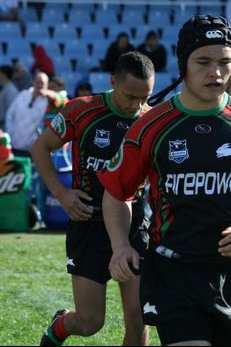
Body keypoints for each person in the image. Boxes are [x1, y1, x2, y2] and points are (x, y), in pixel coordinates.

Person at [98, 14, 231, 346]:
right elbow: (116, 192)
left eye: (225, 62)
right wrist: (120, 246)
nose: (215, 73)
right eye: (203, 61)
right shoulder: (149, 126)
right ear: (183, 63)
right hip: (174, 273)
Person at [31, 51, 155, 346]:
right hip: (87, 222)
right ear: (112, 81)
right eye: (130, 96)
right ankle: (60, 325)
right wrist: (61, 194)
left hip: (134, 222)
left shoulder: (150, 120)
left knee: (137, 318)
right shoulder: (81, 110)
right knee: (89, 322)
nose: (136, 106)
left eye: (145, 97)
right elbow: (40, 147)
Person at [5, 71, 49, 156]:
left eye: (42, 83)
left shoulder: (46, 102)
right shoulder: (23, 94)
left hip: (30, 150)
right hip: (13, 145)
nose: (39, 85)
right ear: (33, 82)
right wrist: (10, 133)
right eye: (37, 82)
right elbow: (10, 114)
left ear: (47, 85)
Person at [0, 65, 19, 130]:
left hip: (4, 128)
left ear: (4, 75)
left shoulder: (11, 90)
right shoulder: (5, 88)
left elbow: (11, 112)